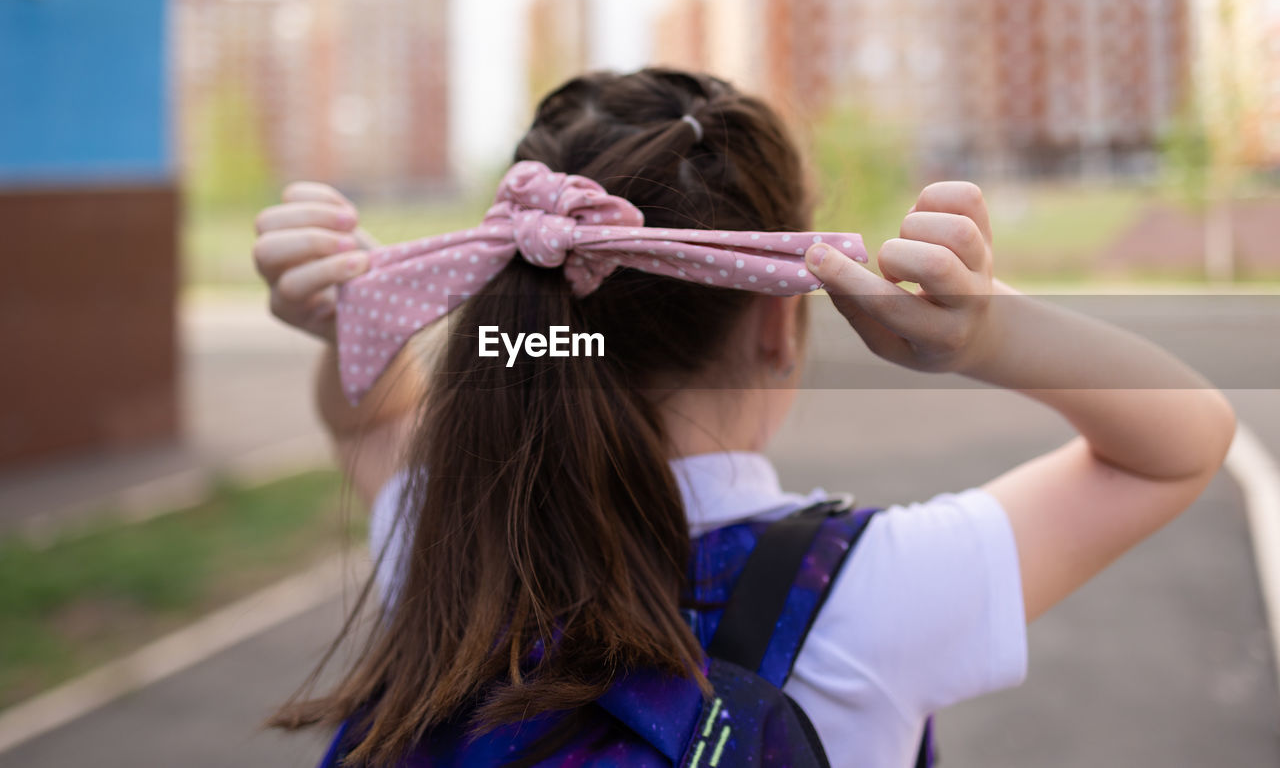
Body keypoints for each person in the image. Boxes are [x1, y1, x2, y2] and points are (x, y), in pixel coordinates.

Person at [251, 68, 1237, 767]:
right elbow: (1177, 443)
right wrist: (983, 336)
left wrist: (350, 315)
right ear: (776, 324)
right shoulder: (869, 593)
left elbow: (373, 422)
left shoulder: (443, 539)